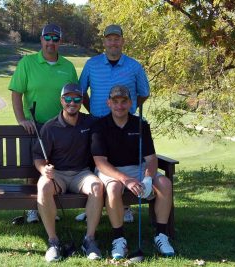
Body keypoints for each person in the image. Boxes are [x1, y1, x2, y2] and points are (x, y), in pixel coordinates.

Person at [77, 24, 150, 223]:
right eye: (109, 39)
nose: (113, 42)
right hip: (98, 121)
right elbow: (81, 91)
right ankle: (92, 205)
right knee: (94, 162)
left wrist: (128, 108)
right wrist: (91, 109)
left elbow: (144, 93)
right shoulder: (92, 64)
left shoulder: (134, 66)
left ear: (122, 41)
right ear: (104, 42)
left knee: (121, 161)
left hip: (123, 122)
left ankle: (125, 207)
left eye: (116, 38)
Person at [91, 85, 175, 259]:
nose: (119, 106)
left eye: (124, 101)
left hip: (138, 169)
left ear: (130, 103)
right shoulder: (100, 126)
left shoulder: (141, 125)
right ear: (109, 103)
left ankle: (161, 235)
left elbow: (151, 159)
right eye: (115, 102)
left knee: (165, 183)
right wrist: (125, 180)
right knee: (113, 189)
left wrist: (148, 179)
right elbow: (100, 162)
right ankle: (119, 238)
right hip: (110, 170)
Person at [9, 23, 78, 224]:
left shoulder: (67, 66)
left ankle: (49, 207)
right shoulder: (27, 63)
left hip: (60, 127)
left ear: (60, 42)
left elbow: (74, 95)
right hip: (36, 125)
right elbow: (16, 93)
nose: (51, 42)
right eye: (47, 38)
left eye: (55, 39)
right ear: (41, 40)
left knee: (55, 169)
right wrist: (21, 119)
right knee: (34, 170)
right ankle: (32, 209)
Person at [33, 83, 104, 262]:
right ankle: (53, 242)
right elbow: (38, 157)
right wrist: (44, 170)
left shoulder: (90, 122)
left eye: (77, 99)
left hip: (82, 174)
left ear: (81, 101)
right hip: (58, 175)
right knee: (43, 186)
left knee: (97, 186)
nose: (72, 102)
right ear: (61, 100)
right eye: (68, 99)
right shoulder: (50, 127)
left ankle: (89, 240)